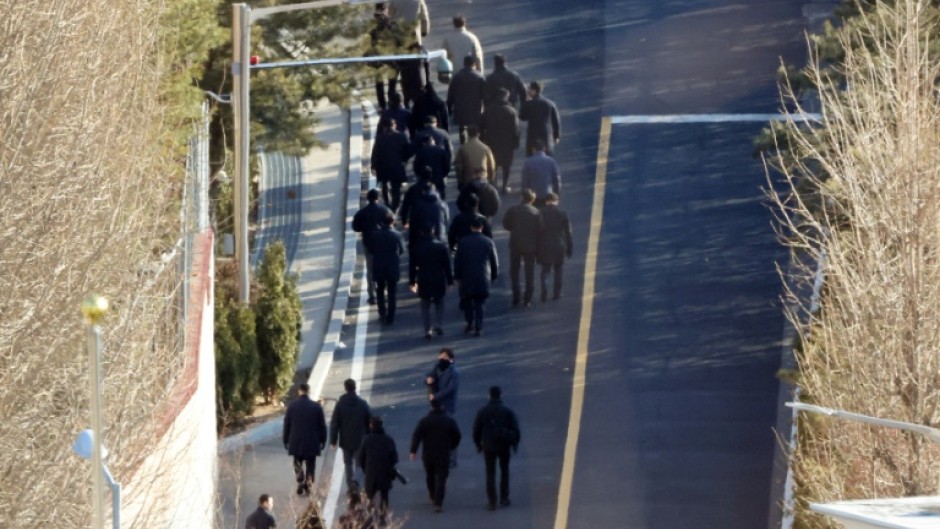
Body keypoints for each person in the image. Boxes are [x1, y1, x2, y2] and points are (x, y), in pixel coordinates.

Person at [472, 386, 521, 510]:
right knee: (504, 471)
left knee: (490, 472)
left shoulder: (483, 411)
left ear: (489, 395)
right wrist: (515, 443)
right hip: (504, 445)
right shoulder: (507, 411)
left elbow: (476, 430)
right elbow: (515, 429)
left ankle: (492, 501)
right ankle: (504, 498)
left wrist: (478, 444)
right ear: (500, 395)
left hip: (488, 446)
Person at [410, 399, 462, 513]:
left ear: (431, 407)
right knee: (442, 477)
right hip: (443, 453)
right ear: (442, 406)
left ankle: (432, 494)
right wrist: (452, 446)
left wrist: (413, 451)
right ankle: (439, 502)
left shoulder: (424, 421)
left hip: (428, 453)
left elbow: (417, 436)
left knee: (430, 475)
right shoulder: (449, 421)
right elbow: (457, 435)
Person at [454, 218, 498, 336]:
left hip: (467, 276)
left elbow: (458, 260)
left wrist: (457, 276)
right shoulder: (488, 242)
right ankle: (479, 327)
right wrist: (494, 275)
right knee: (480, 302)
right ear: (481, 228)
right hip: (483, 276)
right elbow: (494, 261)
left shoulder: (463, 242)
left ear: (471, 228)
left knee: (467, 300)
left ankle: (469, 322)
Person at [283, 384, 327, 496]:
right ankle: (308, 483)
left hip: (296, 441)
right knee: (311, 464)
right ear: (309, 391)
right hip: (312, 441)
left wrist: (285, 439)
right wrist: (323, 440)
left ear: (299, 391)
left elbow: (287, 424)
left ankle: (300, 477)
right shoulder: (316, 407)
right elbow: (322, 425)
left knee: (297, 461)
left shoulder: (292, 406)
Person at [409, 232, 454, 339]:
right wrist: (450, 281)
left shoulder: (417, 248)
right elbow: (447, 265)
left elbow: (412, 267)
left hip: (423, 277)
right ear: (433, 232)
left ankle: (427, 329)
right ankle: (438, 323)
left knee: (425, 304)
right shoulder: (441, 246)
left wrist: (412, 282)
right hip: (438, 277)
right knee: (439, 302)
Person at [352, 189, 393, 305]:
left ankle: (372, 295)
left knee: (370, 270)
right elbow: (391, 221)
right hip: (383, 243)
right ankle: (384, 292)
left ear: (367, 199)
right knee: (384, 267)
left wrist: (364, 229)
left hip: (368, 243)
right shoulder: (384, 210)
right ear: (378, 198)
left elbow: (355, 227)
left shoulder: (362, 212)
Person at [330, 379, 372, 491]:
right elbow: (370, 421)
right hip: (360, 439)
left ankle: (350, 487)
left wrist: (333, 440)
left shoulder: (340, 404)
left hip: (346, 439)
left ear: (345, 388)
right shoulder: (362, 403)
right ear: (355, 388)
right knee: (359, 463)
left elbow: (335, 423)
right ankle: (356, 482)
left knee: (348, 463)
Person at [502, 189, 541, 307]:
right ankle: (527, 298)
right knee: (529, 272)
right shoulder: (536, 212)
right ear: (532, 200)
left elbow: (505, 224)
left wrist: (514, 229)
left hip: (515, 243)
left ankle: (516, 296)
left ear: (521, 198)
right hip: (530, 246)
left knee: (514, 272)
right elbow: (540, 229)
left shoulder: (513, 210)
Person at [358, 415, 399, 520]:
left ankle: (370, 518)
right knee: (384, 496)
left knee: (370, 497)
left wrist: (366, 470)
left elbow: (361, 458)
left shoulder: (367, 439)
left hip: (371, 474)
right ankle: (383, 518)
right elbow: (395, 458)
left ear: (371, 425)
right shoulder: (388, 439)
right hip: (385, 473)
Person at [480, 87, 521, 193]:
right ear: (506, 97)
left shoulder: (488, 110)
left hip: (491, 141)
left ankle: (493, 184)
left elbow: (481, 126)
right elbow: (516, 129)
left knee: (492, 163)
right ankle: (505, 185)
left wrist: (482, 139)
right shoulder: (511, 111)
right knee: (506, 165)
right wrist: (516, 142)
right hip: (507, 142)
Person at [371, 116, 412, 212]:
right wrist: (404, 160)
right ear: (394, 125)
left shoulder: (380, 137)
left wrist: (373, 166)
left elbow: (375, 153)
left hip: (383, 166)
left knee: (384, 185)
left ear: (384, 126)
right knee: (396, 188)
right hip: (397, 166)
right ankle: (395, 206)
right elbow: (408, 151)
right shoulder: (401, 136)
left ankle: (387, 203)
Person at [537, 192, 573, 301]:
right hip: (559, 245)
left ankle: (544, 292)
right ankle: (557, 293)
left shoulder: (540, 213)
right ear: (557, 201)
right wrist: (569, 248)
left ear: (546, 201)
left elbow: (536, 231)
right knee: (558, 269)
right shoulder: (563, 214)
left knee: (545, 270)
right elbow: (568, 233)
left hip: (544, 245)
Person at [370, 215, 405, 324]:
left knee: (380, 289)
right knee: (392, 292)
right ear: (392, 222)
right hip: (392, 266)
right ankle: (391, 316)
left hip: (379, 265)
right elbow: (402, 250)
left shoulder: (375, 235)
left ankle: (382, 312)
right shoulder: (397, 235)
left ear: (382, 222)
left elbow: (371, 250)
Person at [368, 4, 403, 111]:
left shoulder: (374, 26)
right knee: (391, 83)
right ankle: (391, 103)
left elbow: (370, 43)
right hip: (390, 57)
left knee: (380, 83)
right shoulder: (392, 24)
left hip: (379, 58)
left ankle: (383, 105)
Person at [447, 55, 486, 144]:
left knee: (462, 128)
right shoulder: (480, 77)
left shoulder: (457, 77)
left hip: (460, 110)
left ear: (464, 64)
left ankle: (464, 144)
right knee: (477, 129)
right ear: (474, 64)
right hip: (475, 110)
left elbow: (451, 94)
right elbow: (485, 95)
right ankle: (477, 144)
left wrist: (449, 109)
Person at [520, 81, 561, 156]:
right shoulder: (550, 104)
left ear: (534, 90)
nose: (527, 91)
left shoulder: (529, 104)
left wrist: (525, 102)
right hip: (546, 135)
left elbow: (522, 117)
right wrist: (556, 135)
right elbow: (555, 121)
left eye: (529, 89)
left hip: (533, 134)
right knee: (547, 156)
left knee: (532, 156)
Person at [520, 140, 561, 206]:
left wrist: (524, 195)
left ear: (533, 149)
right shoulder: (551, 161)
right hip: (547, 196)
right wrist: (556, 193)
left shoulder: (528, 162)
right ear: (544, 149)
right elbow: (556, 179)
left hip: (533, 197)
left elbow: (525, 181)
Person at [454, 125, 495, 189]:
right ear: (478, 134)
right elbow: (492, 166)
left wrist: (460, 181)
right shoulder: (486, 148)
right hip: (483, 179)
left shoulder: (462, 149)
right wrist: (491, 179)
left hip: (468, 181)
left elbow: (458, 167)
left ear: (468, 134)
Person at [425, 347, 460, 415]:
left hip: (446, 405)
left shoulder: (453, 372)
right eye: (440, 357)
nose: (441, 359)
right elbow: (430, 376)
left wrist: (435, 396)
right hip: (435, 404)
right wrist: (428, 380)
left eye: (444, 357)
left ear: (451, 359)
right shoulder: (438, 367)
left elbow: (450, 389)